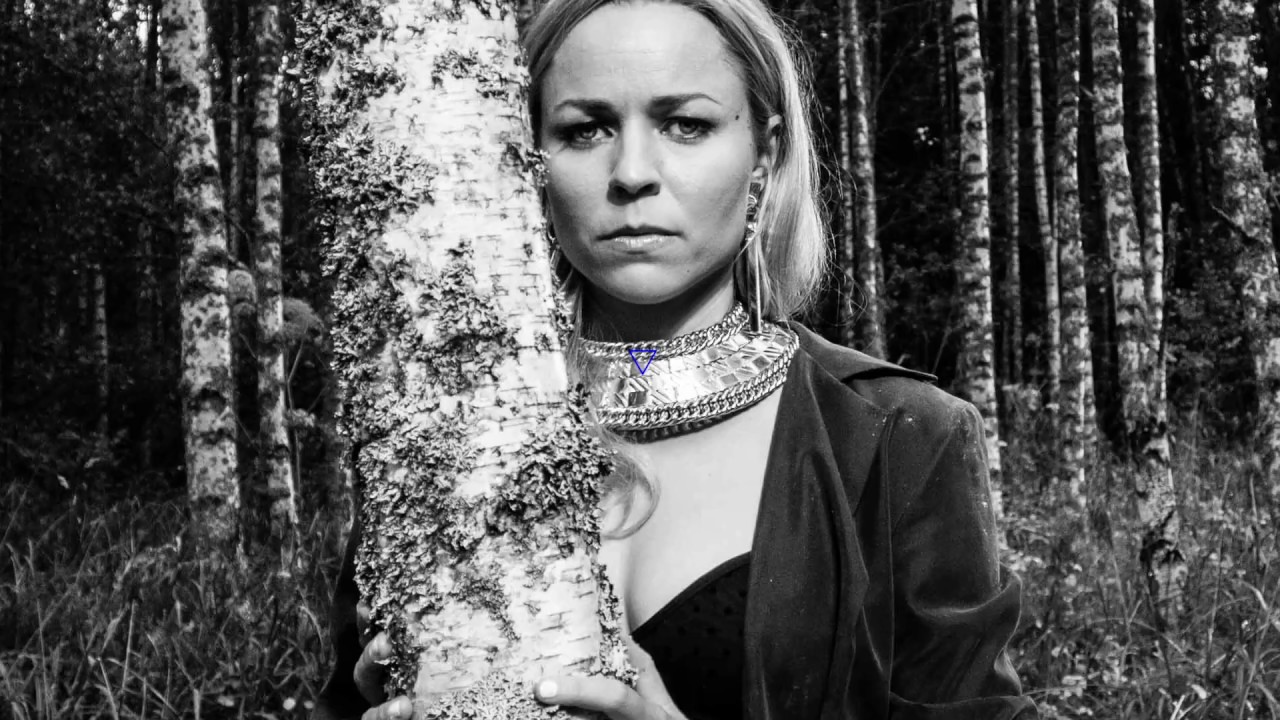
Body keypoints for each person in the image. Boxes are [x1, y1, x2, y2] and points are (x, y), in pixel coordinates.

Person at [313, 0, 1037, 717]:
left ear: (765, 156)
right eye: (584, 129)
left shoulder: (898, 439)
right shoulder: (440, 424)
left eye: (685, 124)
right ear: (528, 161)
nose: (632, 172)